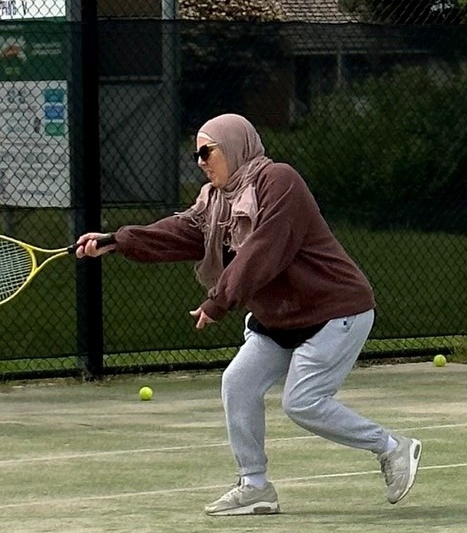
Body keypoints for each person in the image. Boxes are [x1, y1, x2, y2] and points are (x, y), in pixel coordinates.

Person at [75, 113, 422, 515]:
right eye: (196, 155)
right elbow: (182, 232)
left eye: (208, 151)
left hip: (335, 309)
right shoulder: (217, 200)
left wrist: (218, 300)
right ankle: (255, 486)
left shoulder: (279, 181)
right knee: (237, 383)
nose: (201, 161)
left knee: (303, 402)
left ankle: (393, 448)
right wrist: (117, 241)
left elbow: (262, 248)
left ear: (236, 146)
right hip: (280, 319)